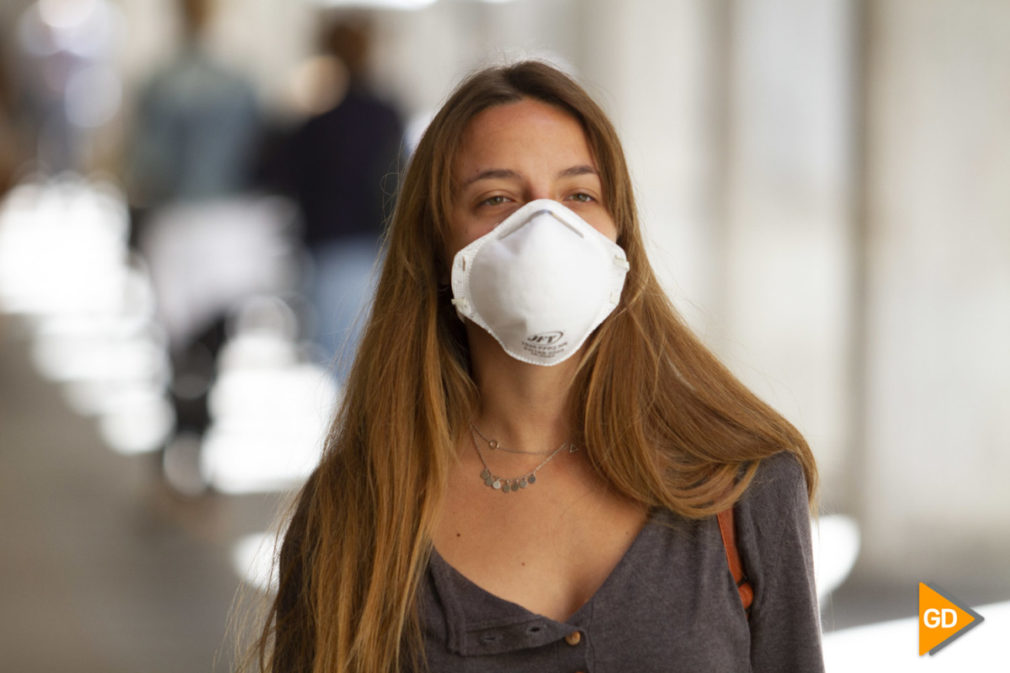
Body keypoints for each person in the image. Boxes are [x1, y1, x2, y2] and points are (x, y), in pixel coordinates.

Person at [248, 61, 823, 673]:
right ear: (438, 246)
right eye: (497, 199)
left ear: (619, 235)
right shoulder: (355, 511)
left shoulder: (743, 488)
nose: (547, 227)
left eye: (579, 194)